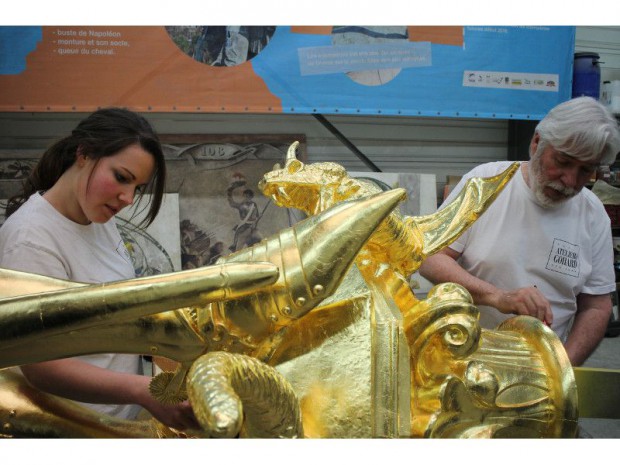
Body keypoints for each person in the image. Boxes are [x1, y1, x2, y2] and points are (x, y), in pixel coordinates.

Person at [0, 107, 199, 430]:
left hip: (118, 424)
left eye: (137, 187)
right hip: (72, 432)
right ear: (84, 154)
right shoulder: (31, 240)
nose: (127, 198)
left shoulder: (97, 217)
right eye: (121, 178)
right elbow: (41, 365)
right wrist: (144, 392)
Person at [419, 96, 620, 366]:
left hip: (540, 369)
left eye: (586, 171)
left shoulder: (593, 213)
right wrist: (498, 297)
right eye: (562, 161)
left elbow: (596, 306)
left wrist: (562, 371)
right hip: (465, 360)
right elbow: (431, 259)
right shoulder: (486, 184)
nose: (570, 180)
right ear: (537, 142)